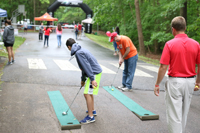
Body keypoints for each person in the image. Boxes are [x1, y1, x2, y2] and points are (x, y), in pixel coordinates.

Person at [154, 16, 200, 133]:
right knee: (184, 113)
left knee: (174, 115)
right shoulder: (196, 44)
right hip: (190, 81)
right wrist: (198, 81)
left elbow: (163, 67)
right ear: (185, 28)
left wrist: (157, 84)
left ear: (173, 29)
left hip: (175, 82)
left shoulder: (170, 44)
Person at [66, 38, 102, 124]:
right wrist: (83, 80)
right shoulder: (81, 49)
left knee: (86, 94)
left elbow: (86, 67)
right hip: (95, 72)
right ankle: (92, 110)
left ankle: (90, 117)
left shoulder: (78, 53)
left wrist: (92, 79)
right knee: (89, 93)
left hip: (94, 73)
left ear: (69, 47)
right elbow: (84, 68)